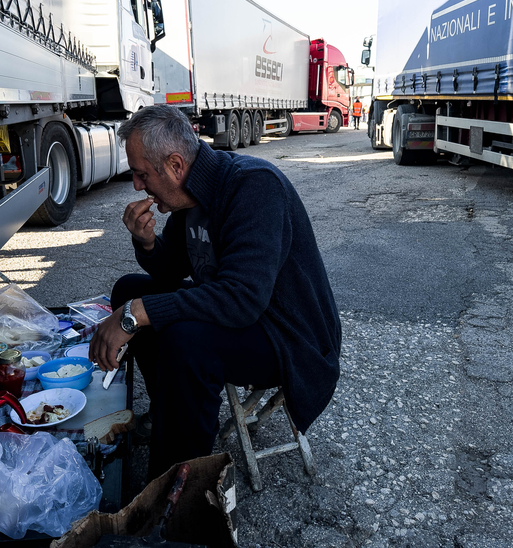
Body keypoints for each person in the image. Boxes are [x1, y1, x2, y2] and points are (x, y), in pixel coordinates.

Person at [89, 104, 341, 480]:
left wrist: (136, 314)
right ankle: (171, 410)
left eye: (142, 175)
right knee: (130, 289)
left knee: (186, 341)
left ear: (175, 165)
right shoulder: (187, 196)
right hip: (244, 312)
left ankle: (178, 489)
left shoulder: (254, 186)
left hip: (289, 335)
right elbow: (171, 272)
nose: (138, 186)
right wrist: (146, 244)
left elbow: (242, 299)